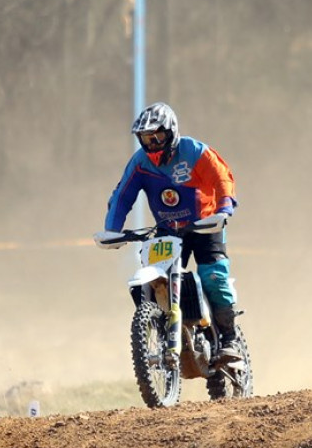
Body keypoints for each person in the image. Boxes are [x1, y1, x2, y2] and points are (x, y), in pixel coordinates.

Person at [103, 102, 242, 359]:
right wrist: (112, 229)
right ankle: (162, 330)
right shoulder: (140, 163)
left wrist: (224, 209)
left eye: (158, 136)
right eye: (146, 138)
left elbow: (221, 176)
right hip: (168, 230)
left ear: (172, 131)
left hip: (205, 225)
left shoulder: (194, 152)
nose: (153, 143)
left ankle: (229, 339)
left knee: (214, 277)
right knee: (156, 280)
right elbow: (122, 195)